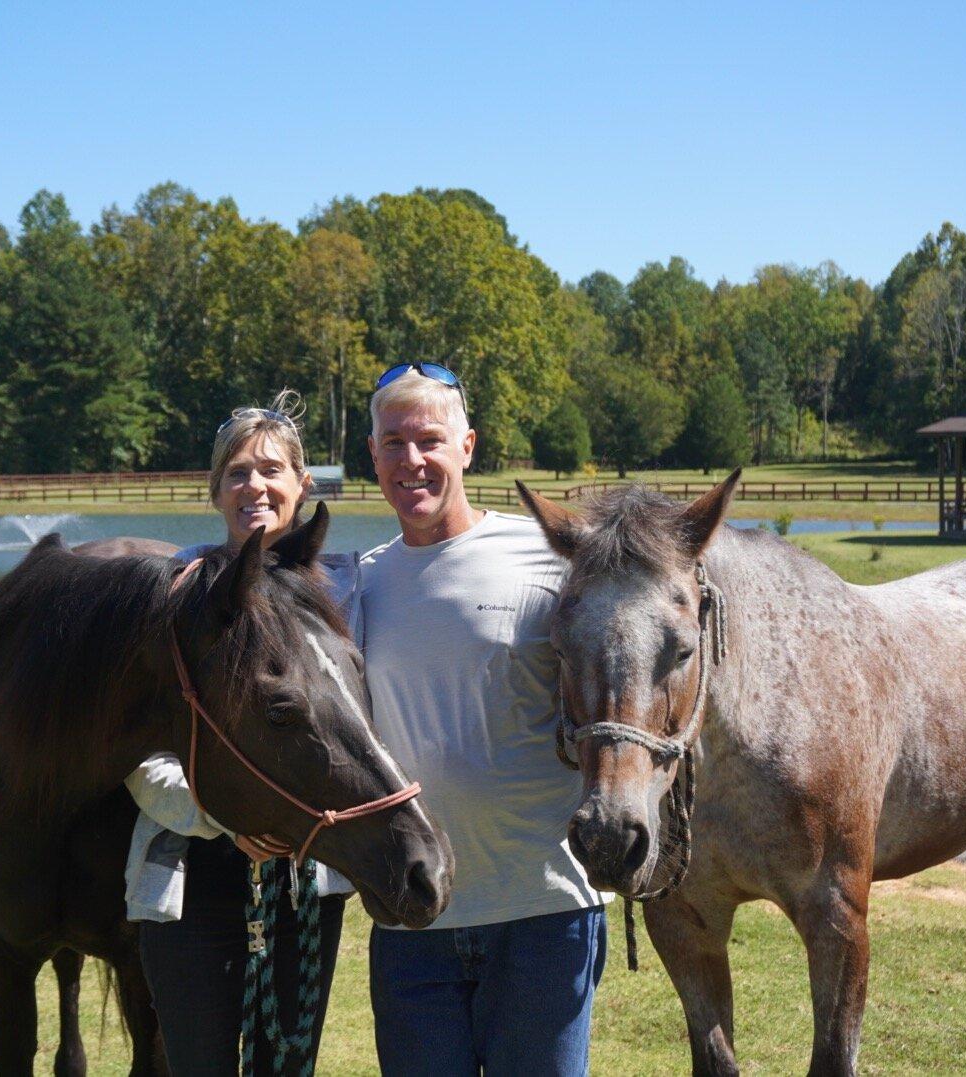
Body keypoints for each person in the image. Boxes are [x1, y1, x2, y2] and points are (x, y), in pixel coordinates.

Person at [359, 365, 606, 1076]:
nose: (412, 459)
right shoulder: (360, 581)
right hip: (412, 916)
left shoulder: (551, 558)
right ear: (372, 454)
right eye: (393, 441)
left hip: (544, 909)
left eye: (429, 439)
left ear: (467, 445)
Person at [125, 390, 357, 1075]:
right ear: (215, 490)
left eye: (270, 469)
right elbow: (141, 755)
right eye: (236, 472)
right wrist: (225, 818)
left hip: (305, 879)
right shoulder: (172, 593)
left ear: (300, 484)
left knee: (289, 1064)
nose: (253, 485)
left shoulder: (344, 593)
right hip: (189, 880)